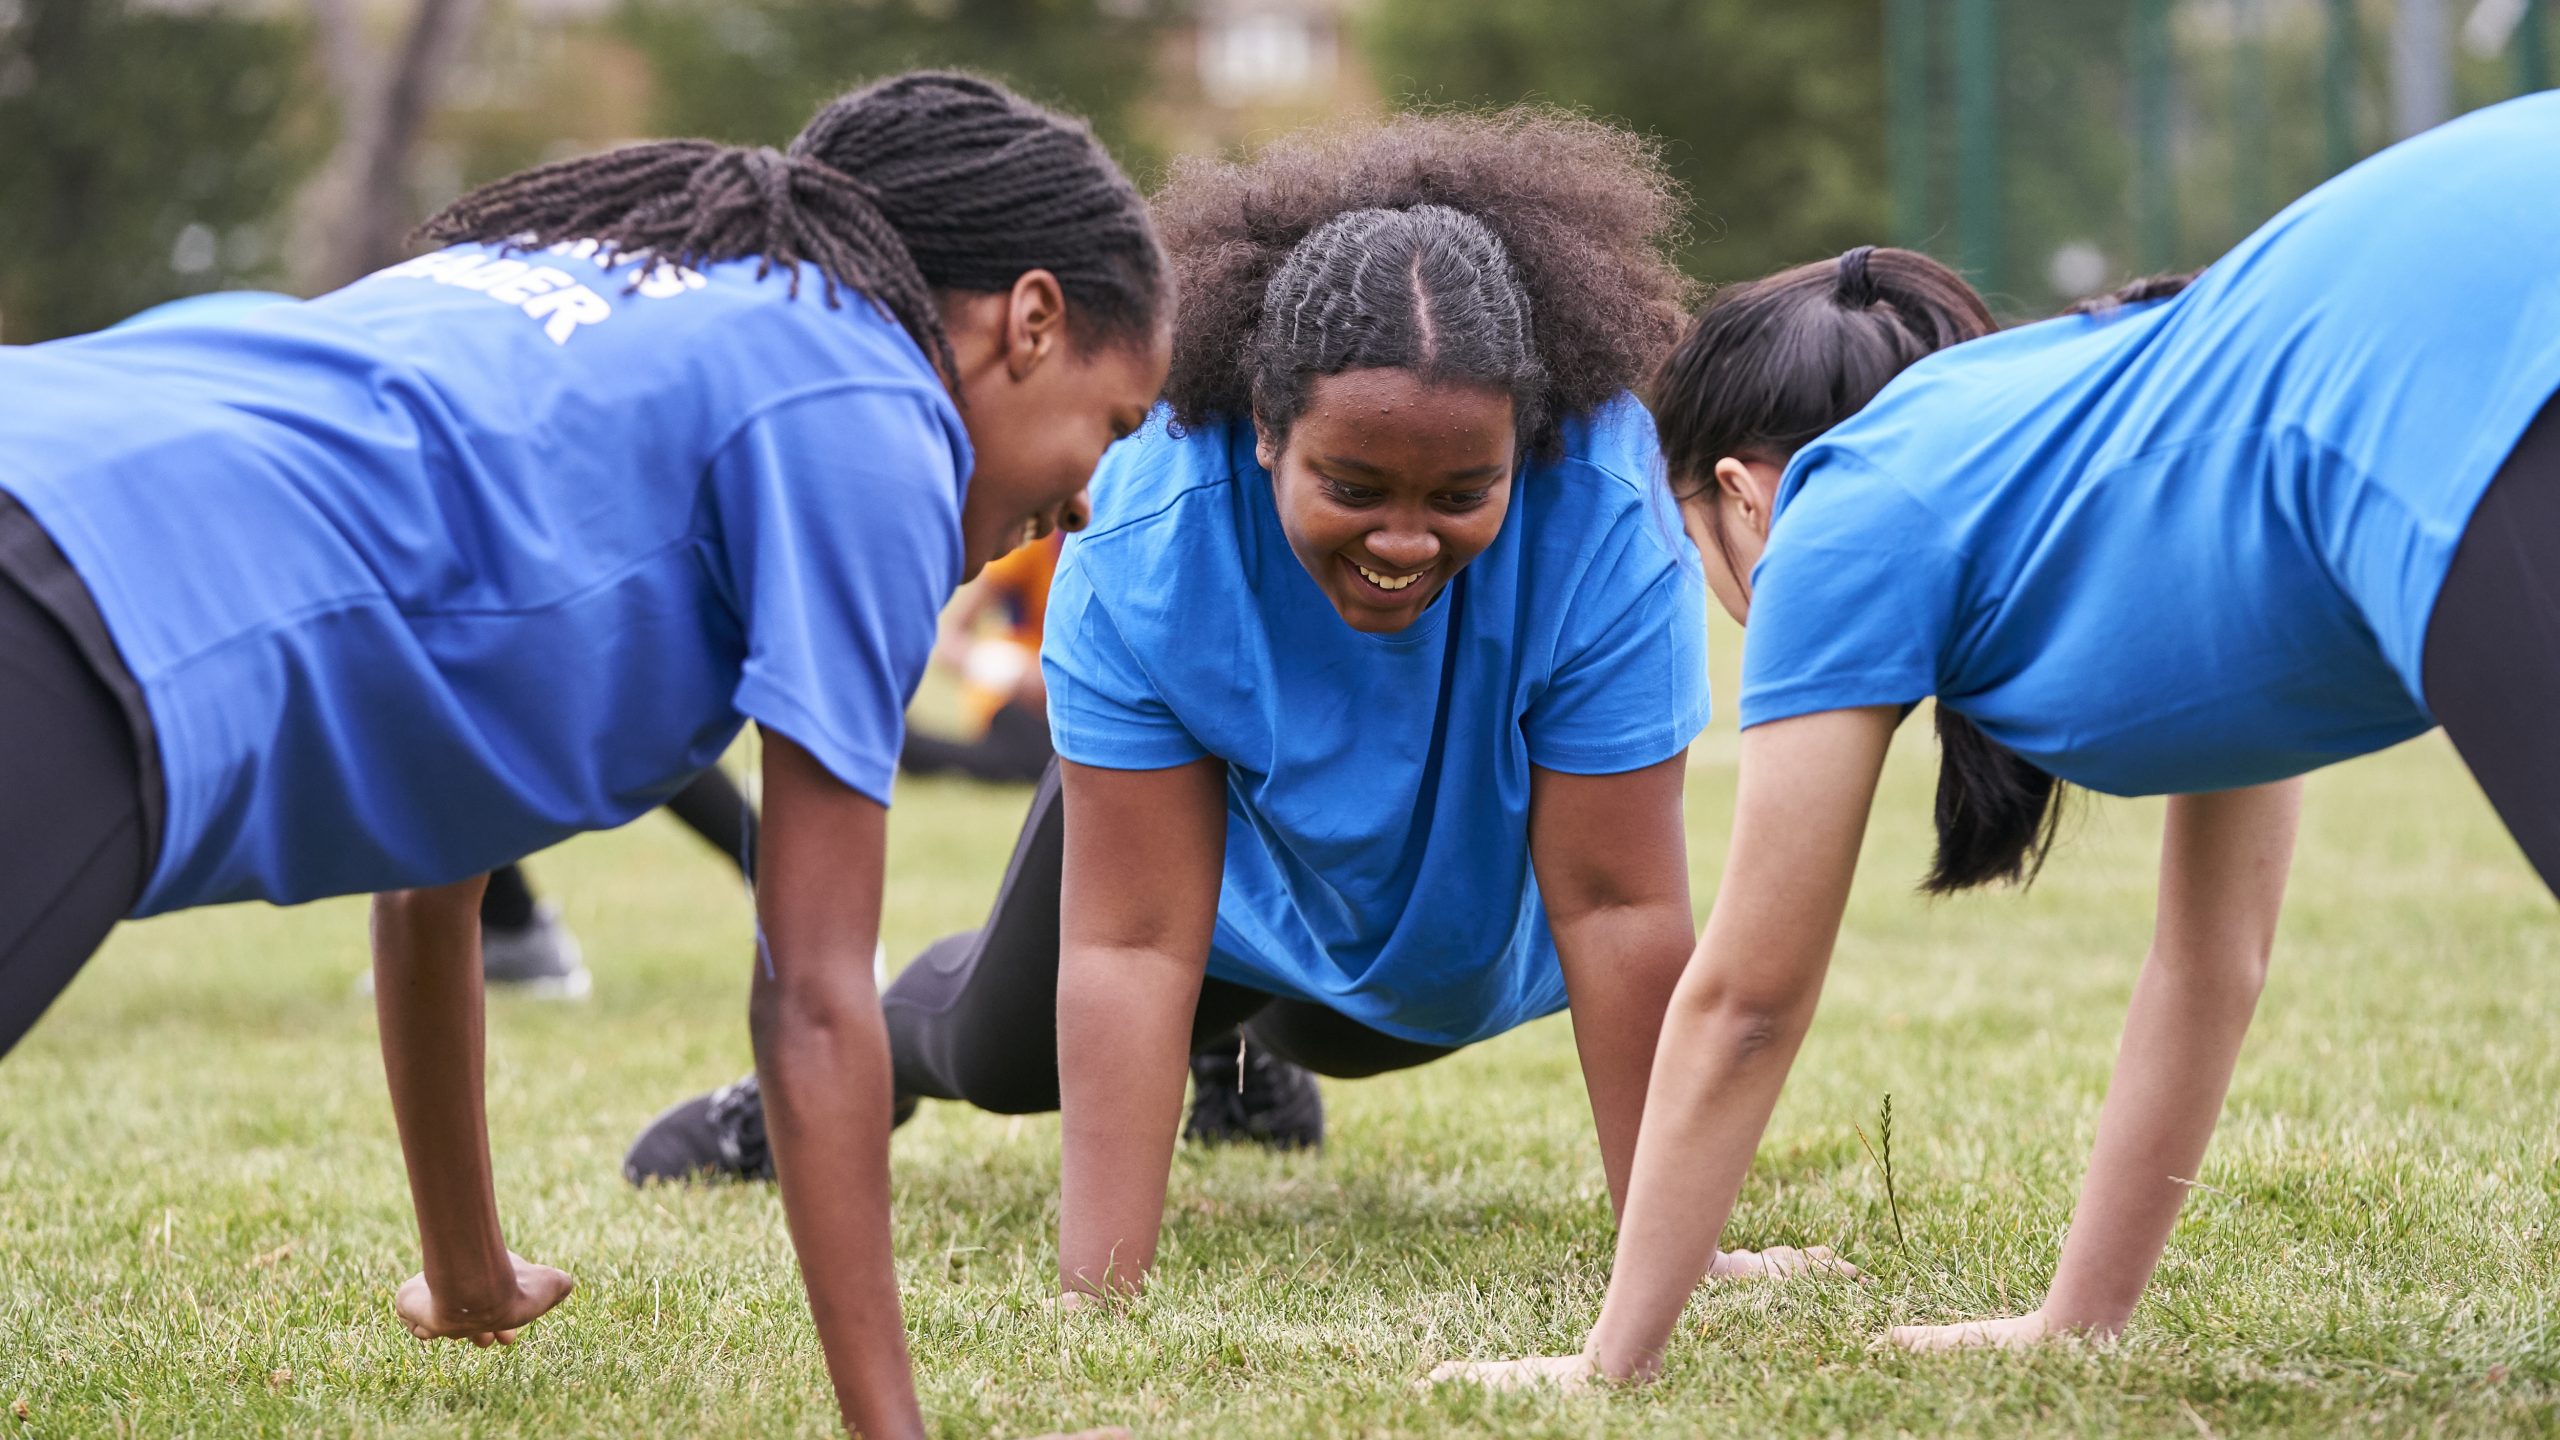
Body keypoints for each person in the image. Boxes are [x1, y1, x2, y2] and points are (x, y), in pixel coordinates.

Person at [0, 71, 1169, 1440]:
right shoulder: (870, 409)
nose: (1087, 499)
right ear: (1030, 322)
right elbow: (811, 999)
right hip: (86, 615)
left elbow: (437, 867)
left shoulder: (612, 283)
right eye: (1115, 424)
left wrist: (468, 1274)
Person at [1433, 91, 2560, 1388]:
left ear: (1740, 497)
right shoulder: (2118, 451)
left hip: (2476, 316)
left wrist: (1606, 1365)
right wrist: (2078, 1320)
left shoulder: (1841, 505)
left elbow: (1747, 1002)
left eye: (1697, 548)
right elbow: (2213, 963)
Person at [633, 109, 1851, 1301]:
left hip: (1429, 927)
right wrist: (1098, 1296)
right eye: (1354, 482)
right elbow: (1127, 943)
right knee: (1001, 1056)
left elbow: (1622, 906)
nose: (1404, 537)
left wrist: (1687, 1254)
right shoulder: (1146, 525)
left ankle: (1228, 1055)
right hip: (1188, 858)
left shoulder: (1602, 511)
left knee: (1359, 1025)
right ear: (1267, 430)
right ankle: (853, 1077)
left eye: (1462, 490)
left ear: (1525, 447)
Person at [101, 289, 766, 999]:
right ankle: (514, 932)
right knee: (450, 715)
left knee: (590, 707)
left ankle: (787, 887)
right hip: (368, 478)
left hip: (434, 489)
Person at [898, 530, 1062, 785]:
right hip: (1020, 707)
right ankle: (907, 743)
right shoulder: (1041, 544)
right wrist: (1016, 673)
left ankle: (911, 747)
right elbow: (949, 642)